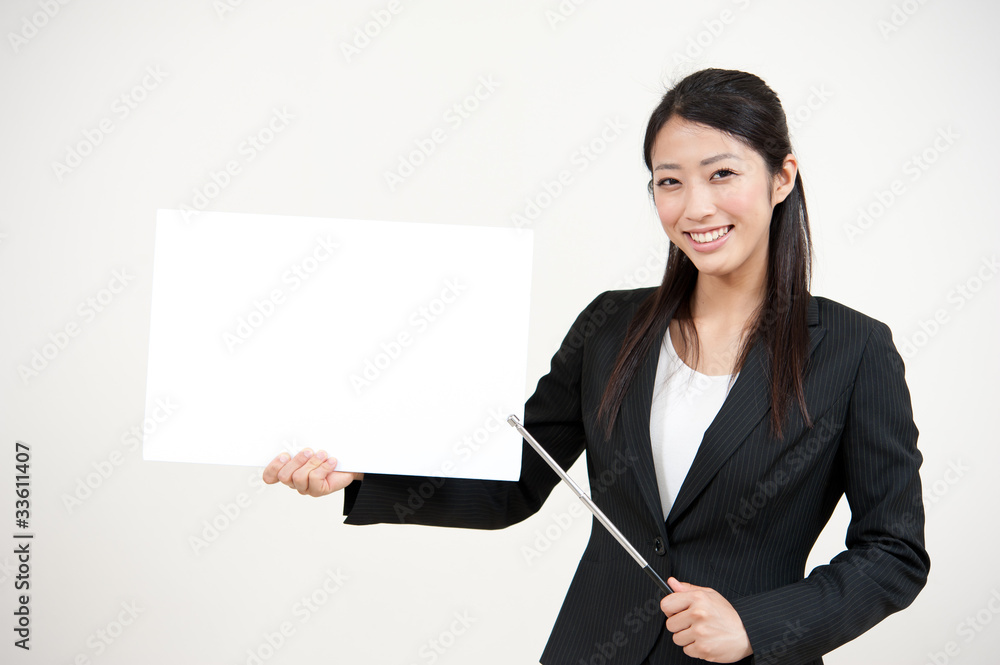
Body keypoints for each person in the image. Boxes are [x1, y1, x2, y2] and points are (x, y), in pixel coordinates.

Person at [262, 68, 929, 664]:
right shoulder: (611, 326)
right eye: (670, 182)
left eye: (722, 173)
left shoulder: (854, 350)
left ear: (781, 177)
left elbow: (894, 550)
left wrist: (755, 624)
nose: (695, 207)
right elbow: (513, 482)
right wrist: (364, 472)